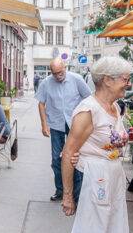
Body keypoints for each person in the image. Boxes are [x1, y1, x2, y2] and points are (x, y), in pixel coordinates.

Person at [59, 56, 133, 233]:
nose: (128, 83)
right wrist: (68, 196)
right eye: (125, 78)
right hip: (93, 179)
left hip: (110, 178)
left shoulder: (114, 107)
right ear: (107, 80)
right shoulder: (88, 110)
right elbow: (68, 153)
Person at [37, 59, 92, 202]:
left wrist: (87, 120)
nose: (57, 76)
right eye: (54, 73)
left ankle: (77, 192)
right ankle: (60, 190)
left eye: (60, 72)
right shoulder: (46, 83)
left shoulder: (77, 79)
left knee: (75, 156)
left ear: (65, 67)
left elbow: (89, 98)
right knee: (56, 159)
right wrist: (44, 125)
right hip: (56, 124)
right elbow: (41, 104)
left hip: (75, 123)